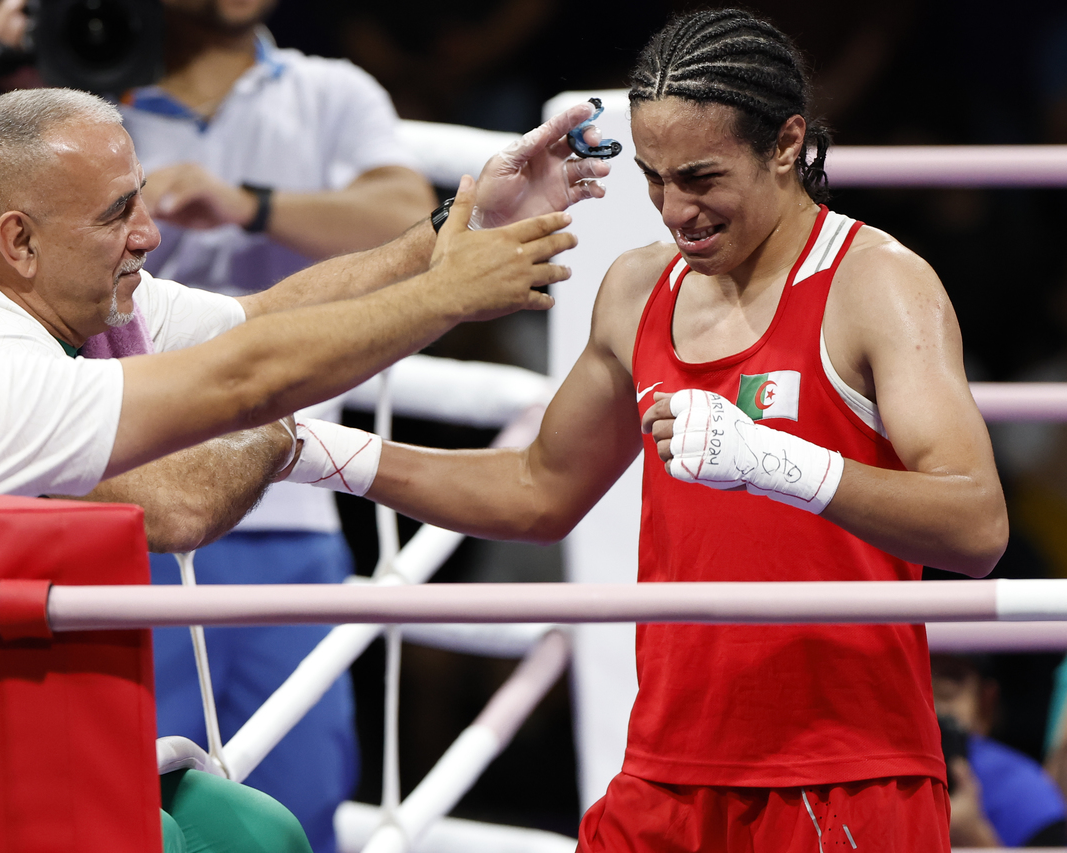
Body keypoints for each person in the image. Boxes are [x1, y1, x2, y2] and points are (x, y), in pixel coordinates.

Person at [296, 8, 1010, 850]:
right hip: (664, 773)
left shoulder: (876, 284)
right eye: (654, 177)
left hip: (843, 773)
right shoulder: (639, 289)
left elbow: (976, 524)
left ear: (787, 144)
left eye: (701, 177)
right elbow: (538, 489)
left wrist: (779, 462)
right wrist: (324, 453)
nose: (675, 210)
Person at [0, 129, 575, 853]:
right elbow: (193, 467)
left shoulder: (38, 322)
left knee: (249, 829)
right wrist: (442, 299)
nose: (149, 233)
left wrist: (453, 233)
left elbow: (259, 323)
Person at [118, 4, 436, 844]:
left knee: (299, 808)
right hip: (127, 509)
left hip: (287, 501)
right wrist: (9, 66)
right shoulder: (86, 107)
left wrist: (246, 204)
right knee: (129, 807)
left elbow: (409, 215)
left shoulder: (330, 92)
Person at [933, 654, 1067, 848]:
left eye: (947, 689)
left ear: (985, 702)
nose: (931, 709)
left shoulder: (1025, 791)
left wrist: (975, 838)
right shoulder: (886, 781)